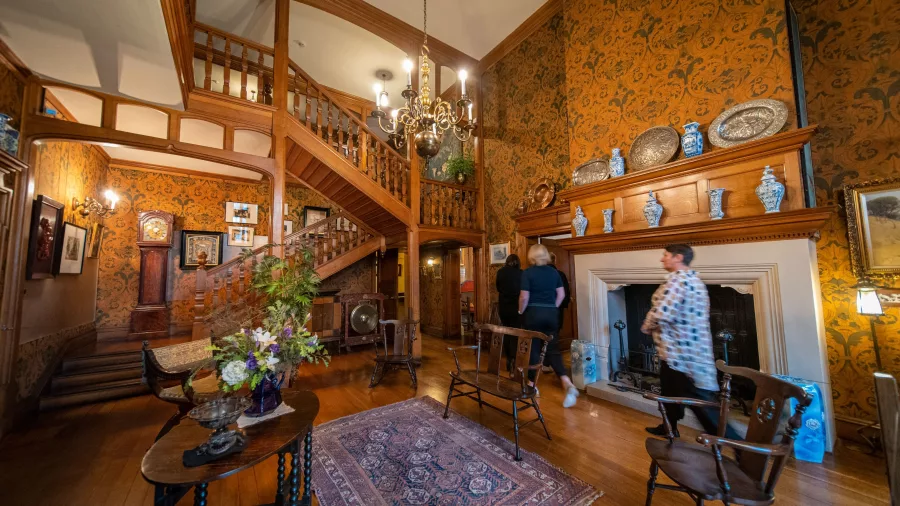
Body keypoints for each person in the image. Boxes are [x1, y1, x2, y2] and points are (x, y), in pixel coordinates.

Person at [642, 244, 739, 439]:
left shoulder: (678, 282)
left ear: (678, 257)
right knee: (670, 391)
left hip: (681, 354)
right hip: (682, 351)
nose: (662, 259)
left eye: (665, 255)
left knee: (701, 405)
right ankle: (669, 426)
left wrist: (647, 325)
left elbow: (663, 313)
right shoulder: (694, 280)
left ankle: (740, 447)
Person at [519, 244, 579, 408]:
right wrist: (552, 307)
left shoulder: (528, 273)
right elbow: (561, 294)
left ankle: (531, 385)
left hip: (533, 314)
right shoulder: (554, 273)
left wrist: (520, 311)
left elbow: (524, 297)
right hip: (552, 315)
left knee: (533, 349)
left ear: (531, 257)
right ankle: (567, 382)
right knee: (552, 349)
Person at [543, 253, 570, 373]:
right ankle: (551, 364)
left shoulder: (539, 274)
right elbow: (565, 294)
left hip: (541, 309)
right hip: (556, 310)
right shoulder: (560, 274)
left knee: (542, 336)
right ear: (555, 261)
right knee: (553, 337)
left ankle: (544, 363)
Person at [495, 254, 523, 371]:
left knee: (506, 332)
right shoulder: (521, 273)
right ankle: (515, 358)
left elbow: (498, 287)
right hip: (516, 306)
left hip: (504, 307)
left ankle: (509, 358)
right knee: (516, 333)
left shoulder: (501, 272)